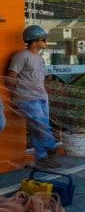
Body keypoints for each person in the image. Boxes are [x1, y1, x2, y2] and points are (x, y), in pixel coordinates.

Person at [6, 25, 60, 169]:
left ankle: (42, 158)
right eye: (43, 39)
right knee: (42, 125)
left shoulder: (40, 58)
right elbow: (11, 77)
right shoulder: (21, 56)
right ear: (34, 41)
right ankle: (52, 147)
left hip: (42, 96)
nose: (46, 42)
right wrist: (13, 98)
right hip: (27, 98)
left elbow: (39, 77)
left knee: (37, 128)